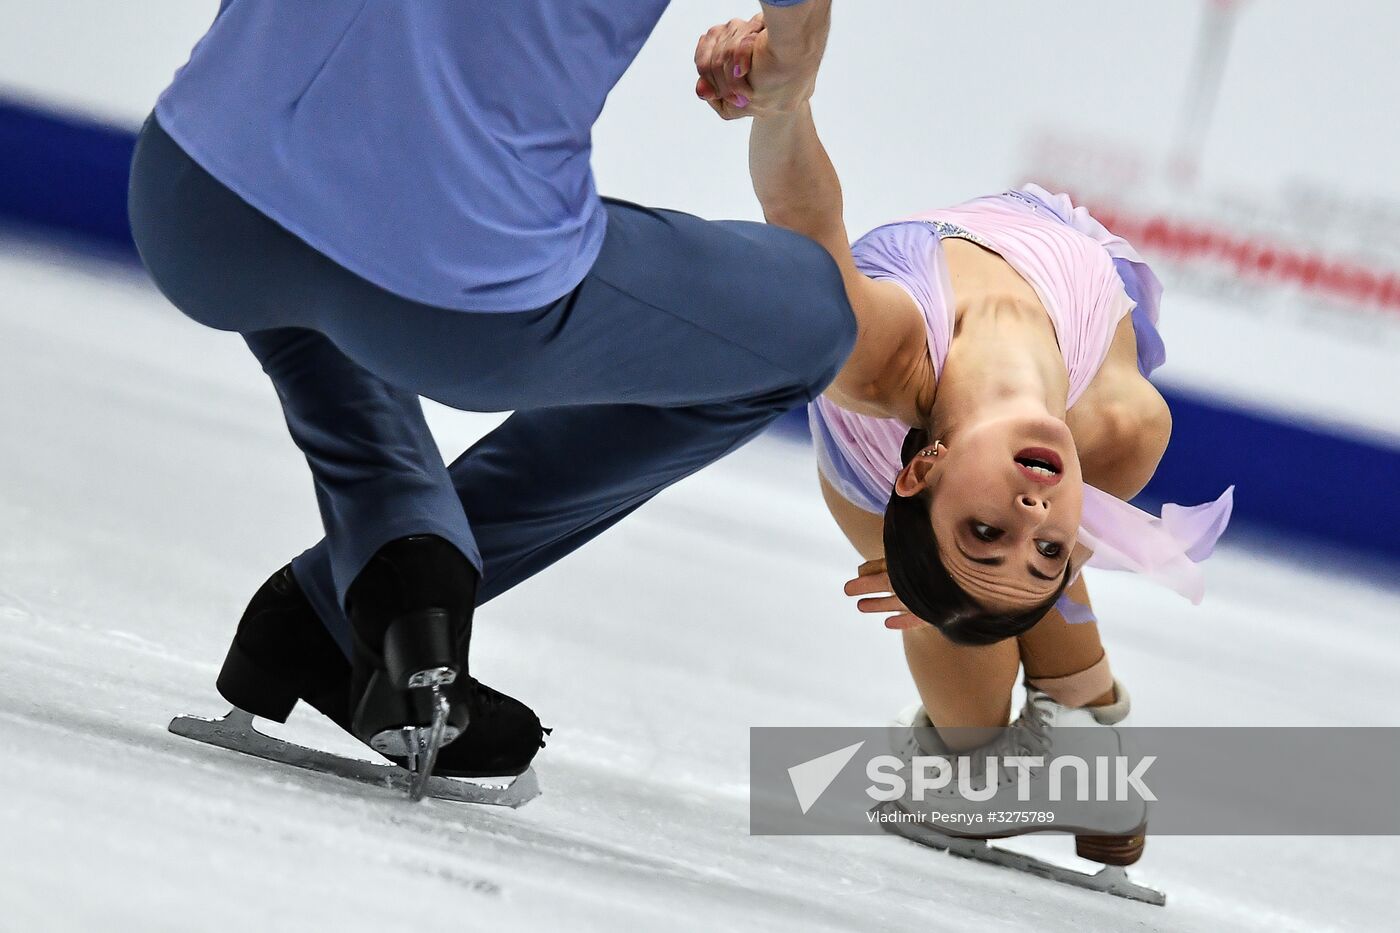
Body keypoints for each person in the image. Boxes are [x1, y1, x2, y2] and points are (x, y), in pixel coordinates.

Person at [128, 0, 852, 792]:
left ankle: (404, 563)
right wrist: (793, 60)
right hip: (454, 297)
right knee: (810, 320)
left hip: (193, 201)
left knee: (307, 243)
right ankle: (352, 609)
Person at [696, 12, 1232, 862]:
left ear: (928, 469)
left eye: (990, 528)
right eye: (1050, 541)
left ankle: (1020, 753)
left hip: (872, 469)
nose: (1031, 509)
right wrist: (1041, 631)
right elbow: (1027, 546)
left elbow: (800, 214)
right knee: (982, 613)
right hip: (1036, 306)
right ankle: (1066, 740)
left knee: (957, 642)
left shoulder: (878, 362)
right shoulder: (1123, 429)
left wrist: (780, 102)